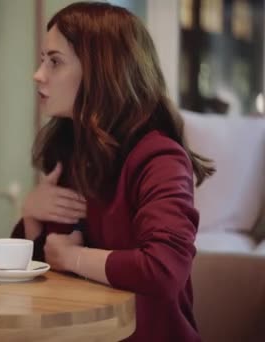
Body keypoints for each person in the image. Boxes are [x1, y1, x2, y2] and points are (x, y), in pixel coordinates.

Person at [12, 2, 215, 341]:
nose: (38, 73)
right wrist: (32, 216)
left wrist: (74, 257)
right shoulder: (74, 150)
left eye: (54, 62)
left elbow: (164, 270)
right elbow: (44, 269)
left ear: (100, 71)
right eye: (42, 59)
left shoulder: (160, 158)